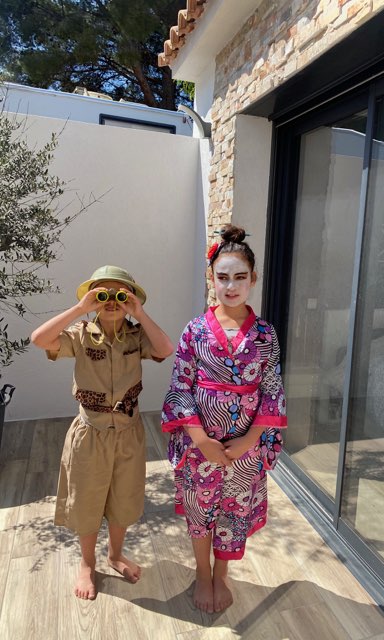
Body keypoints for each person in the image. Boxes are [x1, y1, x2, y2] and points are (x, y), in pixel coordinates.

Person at [161, 225, 287, 613]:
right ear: (211, 278)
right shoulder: (195, 330)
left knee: (234, 511)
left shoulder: (265, 334)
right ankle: (202, 573)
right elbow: (180, 385)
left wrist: (249, 440)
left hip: (246, 447)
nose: (231, 286)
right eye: (223, 277)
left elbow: (272, 390)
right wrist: (201, 439)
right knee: (200, 509)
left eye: (240, 277)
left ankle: (221, 575)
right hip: (200, 444)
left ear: (253, 279)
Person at [31, 265, 174, 600]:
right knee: (87, 499)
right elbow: (39, 339)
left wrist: (139, 313)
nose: (111, 301)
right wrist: (80, 309)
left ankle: (115, 555)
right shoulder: (81, 335)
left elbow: (165, 349)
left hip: (128, 432)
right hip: (90, 433)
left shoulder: (137, 336)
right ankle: (87, 562)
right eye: (103, 294)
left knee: (124, 497)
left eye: (120, 295)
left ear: (131, 299)